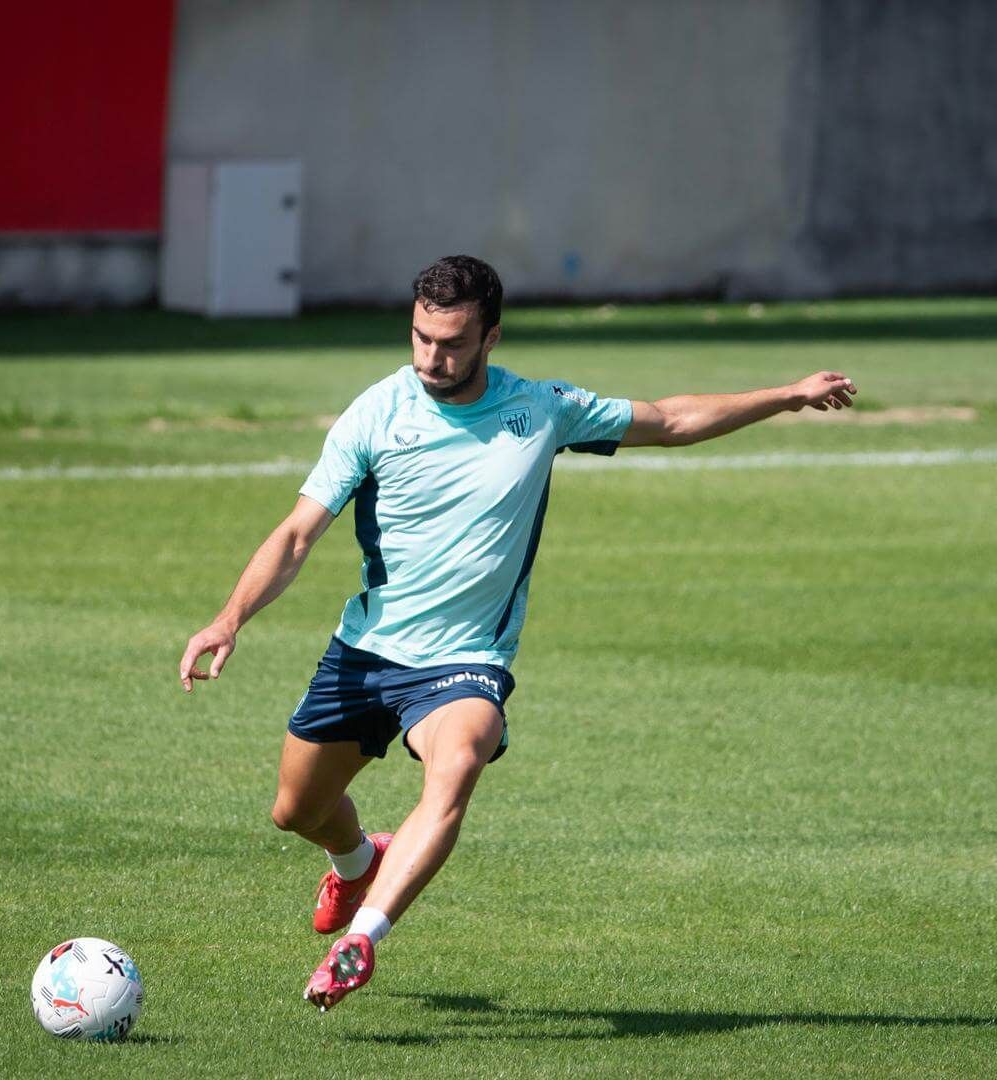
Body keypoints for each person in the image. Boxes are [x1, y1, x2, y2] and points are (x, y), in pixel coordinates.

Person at [178, 255, 856, 1010]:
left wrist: (787, 395)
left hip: (467, 661)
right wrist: (229, 617)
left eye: (453, 342)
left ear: (491, 337)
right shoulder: (376, 413)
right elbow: (300, 534)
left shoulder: (540, 409)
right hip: (367, 652)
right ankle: (357, 860)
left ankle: (363, 938)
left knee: (459, 760)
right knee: (295, 811)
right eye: (421, 338)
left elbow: (669, 420)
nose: (434, 357)